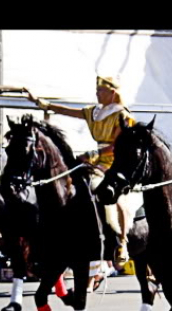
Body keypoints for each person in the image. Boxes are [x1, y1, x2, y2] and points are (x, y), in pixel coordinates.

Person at [26, 76, 138, 270]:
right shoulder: (94, 112)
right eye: (97, 90)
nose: (97, 93)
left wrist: (94, 153)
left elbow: (119, 145)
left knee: (110, 192)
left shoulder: (122, 115)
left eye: (101, 90)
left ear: (112, 93)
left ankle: (122, 242)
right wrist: (41, 103)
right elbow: (67, 111)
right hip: (95, 160)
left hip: (116, 162)